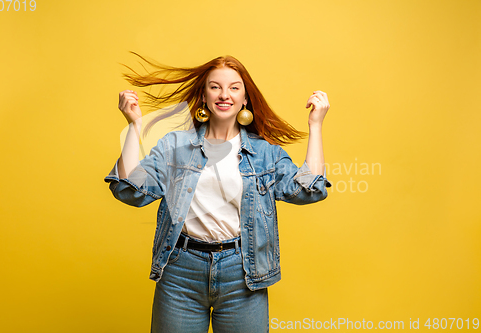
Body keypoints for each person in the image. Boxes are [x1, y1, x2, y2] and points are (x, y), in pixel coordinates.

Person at [104, 54, 332, 333]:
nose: (224, 95)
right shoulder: (175, 146)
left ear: (245, 98)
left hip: (244, 274)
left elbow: (308, 190)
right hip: (180, 272)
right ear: (204, 95)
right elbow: (129, 191)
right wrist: (133, 126)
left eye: (234, 88)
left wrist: (316, 126)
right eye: (215, 87)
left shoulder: (264, 153)